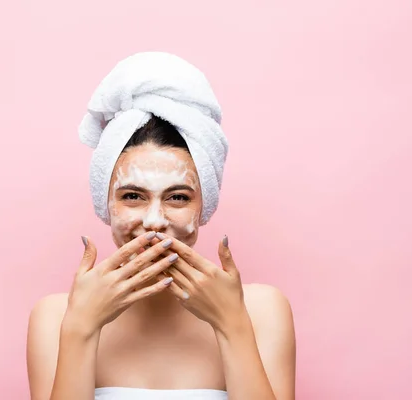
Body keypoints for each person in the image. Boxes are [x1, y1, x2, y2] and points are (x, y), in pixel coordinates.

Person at [26, 52, 296, 400]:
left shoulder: (261, 310)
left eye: (178, 197)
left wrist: (231, 325)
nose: (154, 222)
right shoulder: (56, 317)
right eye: (133, 196)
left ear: (204, 206)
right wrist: (81, 327)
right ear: (105, 203)